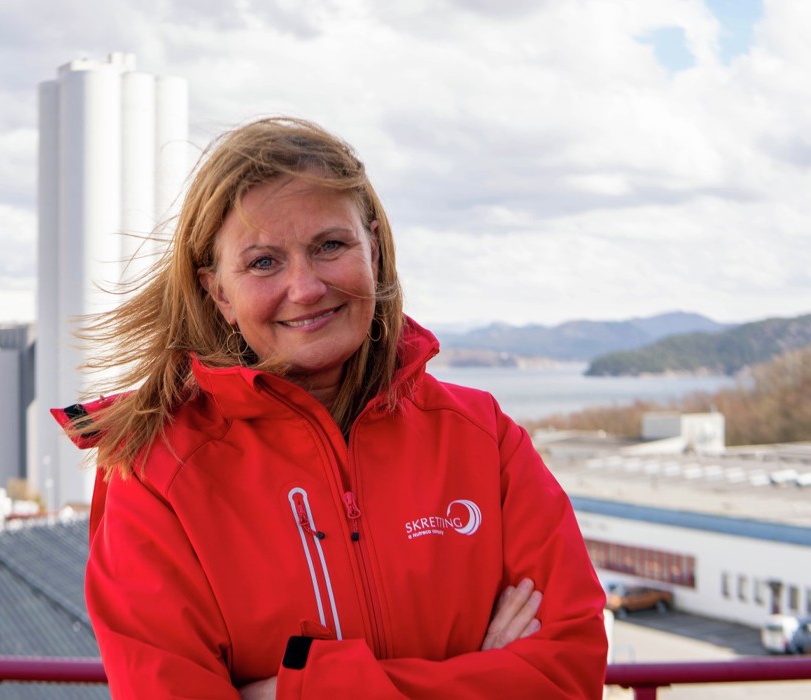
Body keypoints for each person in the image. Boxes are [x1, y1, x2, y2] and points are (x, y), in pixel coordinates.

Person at [52, 117, 608, 699]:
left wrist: (288, 692)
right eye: (264, 262)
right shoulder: (156, 472)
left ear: (373, 248)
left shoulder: (481, 436)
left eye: (330, 246)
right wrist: (482, 676)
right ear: (219, 293)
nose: (307, 287)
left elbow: (568, 674)